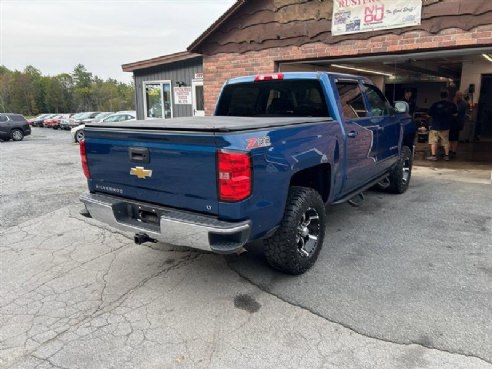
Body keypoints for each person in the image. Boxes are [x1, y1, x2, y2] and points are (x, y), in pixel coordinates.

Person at [427, 89, 457, 161]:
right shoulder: (452, 105)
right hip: (446, 126)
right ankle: (446, 156)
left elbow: (429, 114)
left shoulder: (435, 104)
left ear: (440, 96)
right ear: (447, 96)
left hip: (435, 126)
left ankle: (434, 156)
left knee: (434, 141)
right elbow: (455, 114)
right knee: (445, 141)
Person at [449, 91, 468, 159]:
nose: (459, 97)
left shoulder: (464, 103)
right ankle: (450, 150)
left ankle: (453, 151)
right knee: (450, 138)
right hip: (451, 122)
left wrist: (455, 103)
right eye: (458, 95)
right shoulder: (452, 103)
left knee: (455, 138)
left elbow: (458, 111)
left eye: (460, 95)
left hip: (458, 122)